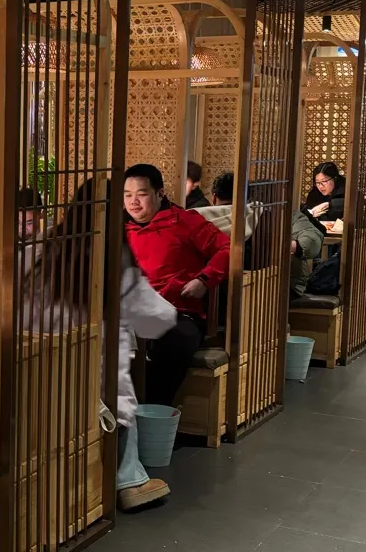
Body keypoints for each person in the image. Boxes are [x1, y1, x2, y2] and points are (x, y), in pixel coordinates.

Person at [31, 180, 175, 510]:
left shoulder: (46, 246)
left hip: (34, 366)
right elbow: (158, 317)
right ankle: (129, 480)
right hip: (84, 383)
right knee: (117, 381)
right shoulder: (111, 258)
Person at [123, 163, 229, 408]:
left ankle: (152, 414)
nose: (133, 202)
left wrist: (204, 280)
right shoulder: (117, 227)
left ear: (160, 193)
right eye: (127, 195)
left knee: (173, 343)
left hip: (179, 311)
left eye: (141, 194)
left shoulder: (184, 221)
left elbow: (227, 249)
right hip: (128, 311)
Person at [303, 161, 347, 227]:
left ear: (335, 178)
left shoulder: (346, 189)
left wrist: (329, 204)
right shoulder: (314, 193)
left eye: (324, 181)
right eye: (317, 182)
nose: (321, 186)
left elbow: (351, 203)